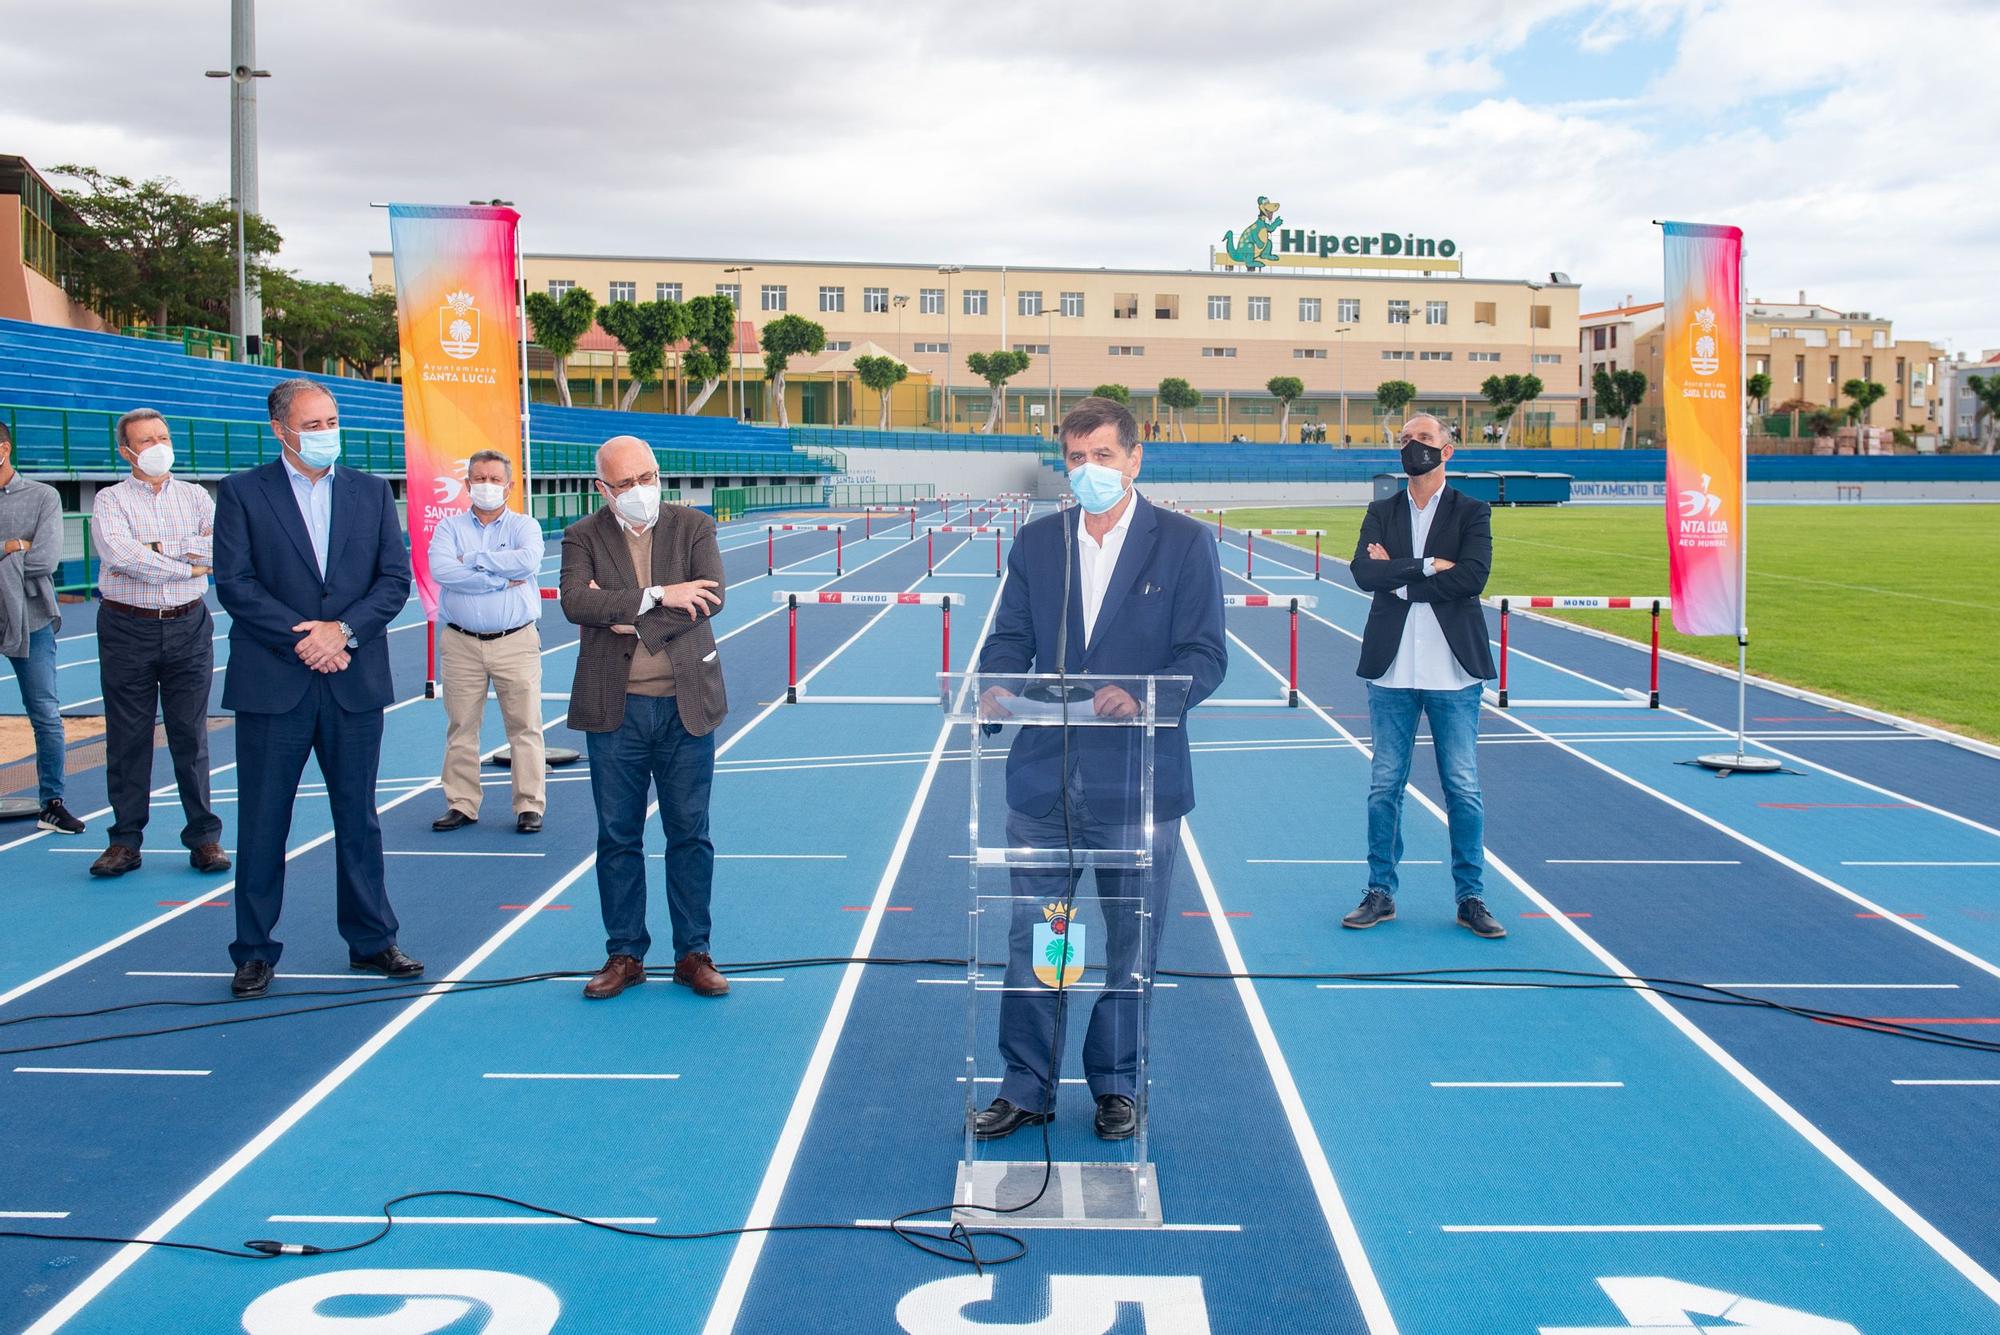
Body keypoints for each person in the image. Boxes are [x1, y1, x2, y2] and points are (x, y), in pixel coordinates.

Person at [972, 395, 1226, 1142]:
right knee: (1041, 935)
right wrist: (994, 688)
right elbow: (1008, 637)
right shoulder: (1038, 543)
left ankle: (1116, 1082)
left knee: (1128, 939)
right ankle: (1028, 1083)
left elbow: (1205, 656)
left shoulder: (1181, 542)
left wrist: (1144, 698)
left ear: (1135, 458)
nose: (1088, 472)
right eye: (1076, 459)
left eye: (1103, 457)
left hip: (1136, 783)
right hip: (1044, 783)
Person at [212, 378, 423, 999]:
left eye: (332, 420)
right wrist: (305, 637)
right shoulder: (243, 493)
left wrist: (344, 632)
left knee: (358, 818)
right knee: (263, 822)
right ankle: (253, 951)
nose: (328, 432)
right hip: (274, 681)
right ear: (281, 430)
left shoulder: (371, 491)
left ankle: (371, 940)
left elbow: (393, 579)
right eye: (314, 423)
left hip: (352, 681)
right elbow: (235, 583)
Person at [560, 436, 729, 1001]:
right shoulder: (582, 535)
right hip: (616, 711)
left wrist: (631, 617)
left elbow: (709, 600)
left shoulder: (692, 527)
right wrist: (660, 594)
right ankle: (625, 954)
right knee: (617, 837)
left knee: (689, 833)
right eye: (626, 483)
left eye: (648, 477)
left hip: (688, 709)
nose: (640, 491)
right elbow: (575, 605)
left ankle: (693, 954)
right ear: (603, 489)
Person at [1343, 413, 1503, 939]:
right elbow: (1364, 573)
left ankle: (1470, 897)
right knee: (1384, 786)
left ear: (1448, 451)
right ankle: (1380, 892)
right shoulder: (1381, 510)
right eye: (1406, 439)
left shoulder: (1472, 511)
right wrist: (1430, 566)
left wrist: (1402, 576)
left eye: (1425, 439)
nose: (1414, 446)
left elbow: (1474, 576)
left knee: (1463, 787)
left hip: (1453, 672)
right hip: (1392, 672)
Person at [86, 409, 228, 876]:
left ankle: (204, 838)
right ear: (125, 450)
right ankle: (125, 841)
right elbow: (122, 557)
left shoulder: (196, 496)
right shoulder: (110, 501)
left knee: (191, 734)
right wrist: (187, 561)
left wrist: (159, 550)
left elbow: (220, 548)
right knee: (128, 738)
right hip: (127, 627)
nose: (157, 446)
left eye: (162, 436)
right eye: (145, 440)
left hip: (189, 625)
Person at [429, 450, 547, 834]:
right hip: (461, 643)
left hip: (515, 640)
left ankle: (529, 805)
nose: (487, 486)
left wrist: (474, 559)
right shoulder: (448, 529)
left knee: (525, 726)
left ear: (510, 487)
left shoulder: (525, 525)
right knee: (461, 726)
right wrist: (496, 575)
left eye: (495, 480)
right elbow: (443, 571)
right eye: (479, 478)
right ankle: (461, 803)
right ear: (467, 485)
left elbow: (527, 563)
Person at [0, 421, 83, 835]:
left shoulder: (42, 496)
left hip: (30, 619)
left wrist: (24, 553)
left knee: (45, 714)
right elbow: (24, 558)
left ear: (5, 448)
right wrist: (10, 546)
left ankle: (52, 803)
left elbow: (44, 562)